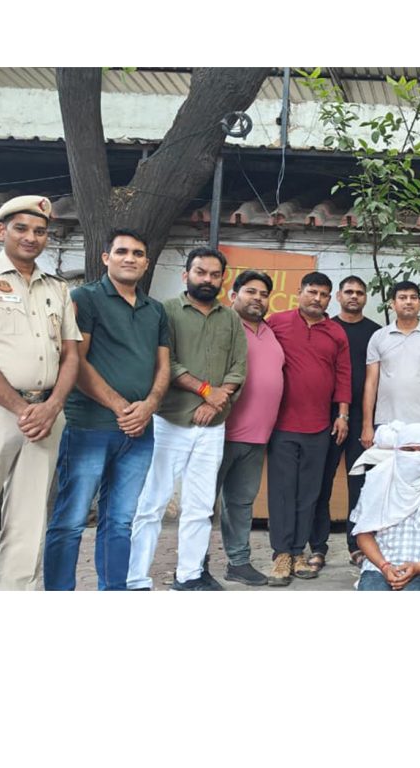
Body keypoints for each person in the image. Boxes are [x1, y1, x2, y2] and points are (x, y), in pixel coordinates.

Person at [0, 195, 81, 590]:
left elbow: (71, 355)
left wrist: (53, 406)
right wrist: (23, 408)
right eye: (21, 228)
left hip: (45, 418)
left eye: (40, 231)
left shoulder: (57, 288)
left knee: (29, 521)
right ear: (0, 231)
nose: (31, 237)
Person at [43, 228, 170, 591]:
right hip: (90, 427)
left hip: (139, 433)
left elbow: (163, 365)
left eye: (138, 253)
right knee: (70, 520)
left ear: (146, 263)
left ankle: (113, 592)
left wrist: (150, 405)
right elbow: (75, 362)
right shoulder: (85, 298)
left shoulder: (155, 310)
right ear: (106, 258)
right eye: (122, 251)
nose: (130, 258)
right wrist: (121, 407)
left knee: (120, 521)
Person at [127, 247, 247, 591]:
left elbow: (239, 366)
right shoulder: (165, 311)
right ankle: (135, 579)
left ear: (222, 279)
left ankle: (189, 575)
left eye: (214, 274)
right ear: (186, 275)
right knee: (152, 503)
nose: (207, 279)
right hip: (170, 421)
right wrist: (206, 391)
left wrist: (215, 402)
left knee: (200, 505)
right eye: (200, 272)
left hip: (212, 426)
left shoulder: (231, 319)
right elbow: (165, 362)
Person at [265, 272, 351, 586]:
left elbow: (343, 375)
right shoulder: (277, 323)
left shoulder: (336, 332)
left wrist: (342, 415)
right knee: (283, 491)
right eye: (312, 292)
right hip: (282, 424)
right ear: (299, 292)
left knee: (309, 493)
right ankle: (281, 554)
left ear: (330, 299)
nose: (317, 298)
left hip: (320, 426)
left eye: (324, 294)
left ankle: (298, 552)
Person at [211, 270, 285, 587]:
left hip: (257, 437)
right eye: (250, 291)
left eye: (263, 294)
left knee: (241, 503)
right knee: (203, 504)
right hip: (219, 432)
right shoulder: (222, 325)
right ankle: (192, 564)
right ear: (234, 295)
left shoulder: (269, 331)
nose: (258, 298)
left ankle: (238, 563)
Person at [351, 423, 420, 591]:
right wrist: (384, 566)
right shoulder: (379, 479)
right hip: (379, 565)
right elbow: (363, 534)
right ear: (397, 449)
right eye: (409, 449)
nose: (416, 456)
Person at [318, 274, 381, 568]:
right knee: (322, 482)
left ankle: (357, 545)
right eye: (348, 292)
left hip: (363, 417)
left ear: (365, 298)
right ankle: (318, 546)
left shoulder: (376, 333)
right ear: (339, 297)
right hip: (326, 416)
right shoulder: (327, 329)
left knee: (361, 484)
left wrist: (368, 422)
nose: (354, 296)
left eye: (359, 292)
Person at [362, 281, 420, 452]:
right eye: (402, 298)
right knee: (386, 468)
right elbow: (371, 384)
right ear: (393, 304)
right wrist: (367, 425)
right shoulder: (379, 337)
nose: (408, 302)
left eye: (413, 297)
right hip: (386, 424)